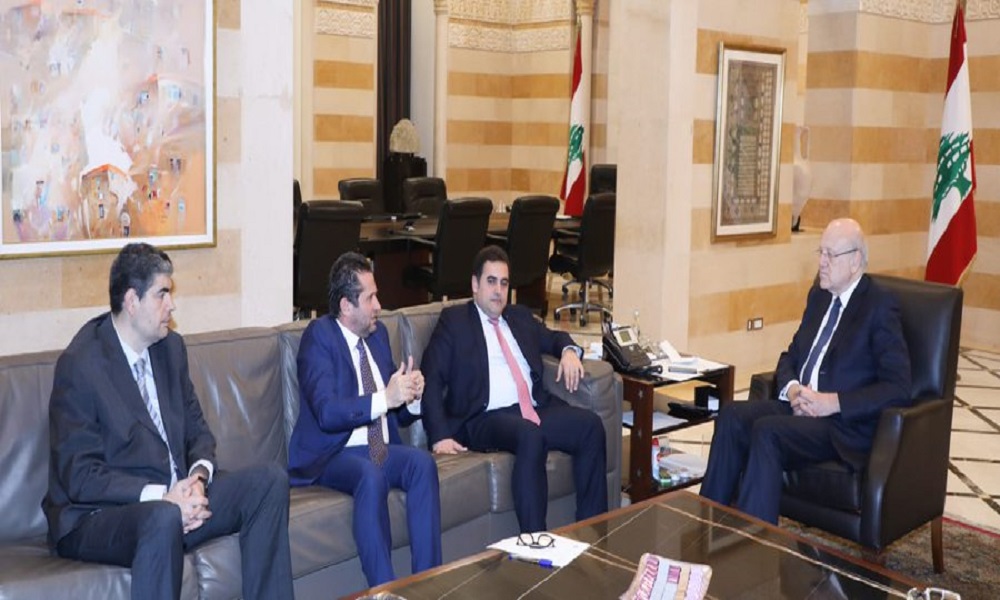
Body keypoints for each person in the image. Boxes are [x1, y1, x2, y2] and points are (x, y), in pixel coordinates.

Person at [44, 243, 293, 600]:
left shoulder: (169, 348)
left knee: (269, 482)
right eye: (162, 294)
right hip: (98, 516)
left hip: (174, 501)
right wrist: (164, 498)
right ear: (132, 301)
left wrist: (198, 481)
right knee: (162, 518)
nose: (172, 305)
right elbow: (80, 477)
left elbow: (198, 431)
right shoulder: (81, 365)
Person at [700, 218, 912, 524]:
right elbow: (790, 356)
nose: (822, 262)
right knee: (731, 415)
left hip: (839, 425)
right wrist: (793, 390)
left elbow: (898, 387)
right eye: (820, 252)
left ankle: (755, 542)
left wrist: (832, 402)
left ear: (855, 261)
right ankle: (705, 525)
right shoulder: (819, 297)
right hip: (799, 407)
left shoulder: (879, 306)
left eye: (830, 255)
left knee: (768, 431)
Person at [421, 245, 608, 533]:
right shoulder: (455, 321)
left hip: (533, 409)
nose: (498, 291)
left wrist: (569, 351)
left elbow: (554, 338)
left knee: (591, 426)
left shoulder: (519, 317)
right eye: (491, 281)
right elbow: (431, 376)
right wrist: (439, 435)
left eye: (504, 283)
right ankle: (535, 543)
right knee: (530, 436)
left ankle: (593, 533)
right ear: (475, 284)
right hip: (484, 418)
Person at [288, 252, 441, 587]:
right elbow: (327, 412)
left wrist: (411, 396)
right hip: (333, 453)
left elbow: (395, 410)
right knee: (370, 476)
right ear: (346, 305)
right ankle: (384, 590)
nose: (378, 306)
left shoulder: (378, 335)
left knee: (422, 464)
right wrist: (386, 397)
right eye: (370, 298)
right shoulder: (319, 337)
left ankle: (429, 584)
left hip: (379, 448)